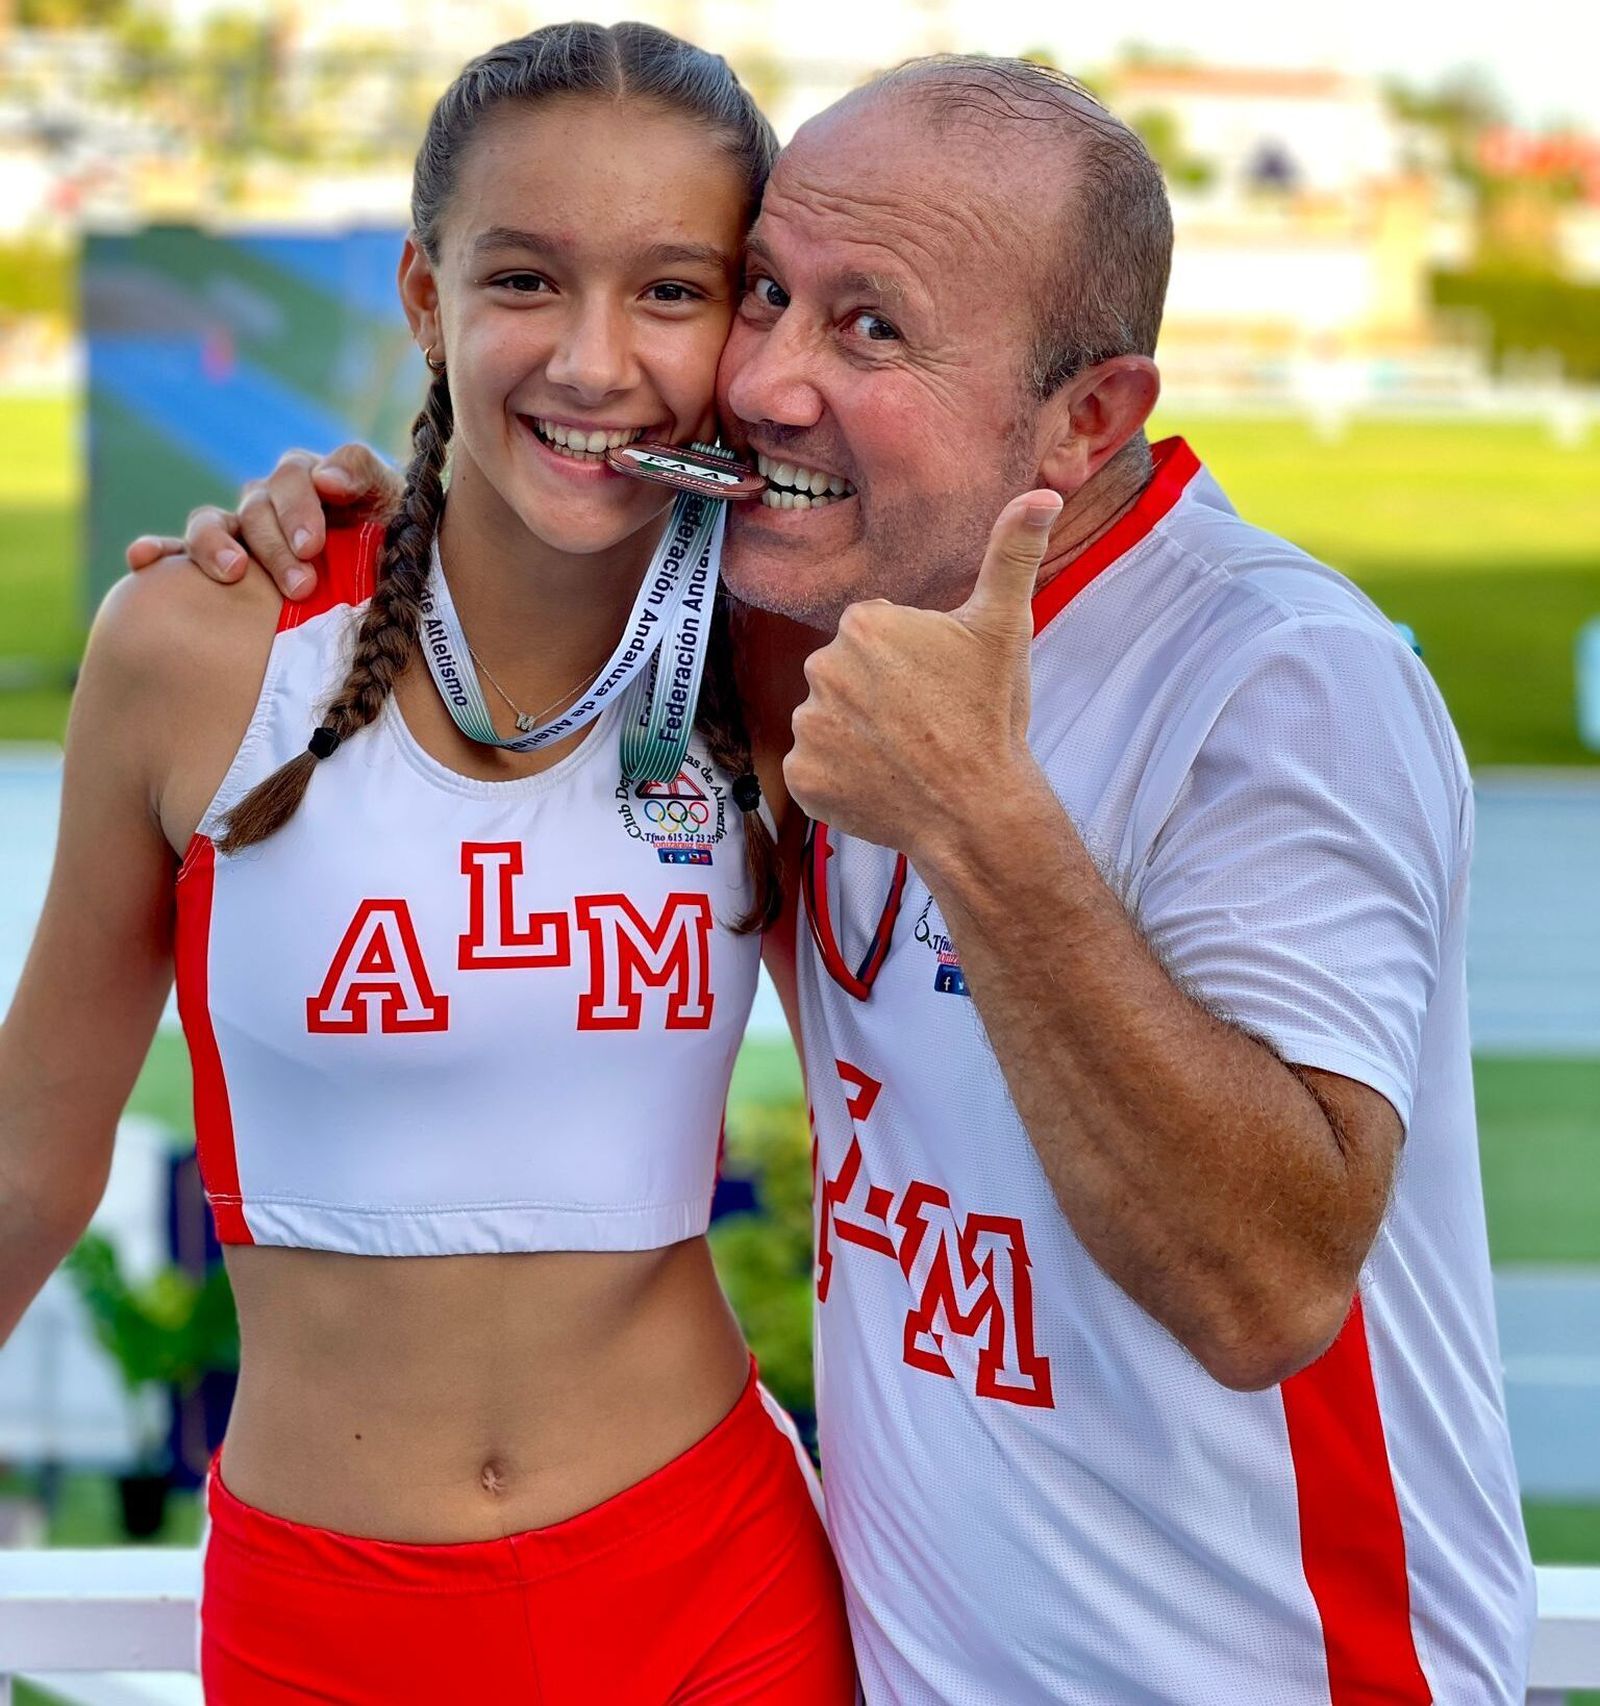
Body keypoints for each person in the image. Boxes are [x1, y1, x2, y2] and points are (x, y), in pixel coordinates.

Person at [137, 53, 1534, 1706]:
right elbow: (528, 478)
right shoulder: (804, 624)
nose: (768, 382)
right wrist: (330, 517)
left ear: (1088, 417)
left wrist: (983, 823)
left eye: (869, 327)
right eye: (768, 296)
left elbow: (1267, 1289)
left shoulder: (1277, 678)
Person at [2, 23, 857, 1704]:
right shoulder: (202, 644)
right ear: (422, 291)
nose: (596, 362)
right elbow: (35, 1157)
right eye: (527, 279)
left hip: (714, 1590)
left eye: (674, 292)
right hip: (323, 1616)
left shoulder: (773, 659)